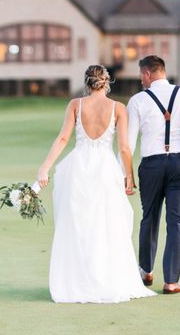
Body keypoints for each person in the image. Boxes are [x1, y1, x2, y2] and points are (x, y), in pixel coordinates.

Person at [36, 64, 157, 303]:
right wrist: (129, 177)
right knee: (107, 225)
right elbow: (124, 148)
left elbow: (62, 138)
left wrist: (45, 166)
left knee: (78, 225)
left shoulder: (75, 105)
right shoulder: (118, 108)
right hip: (105, 169)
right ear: (106, 82)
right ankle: (104, 281)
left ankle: (77, 283)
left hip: (77, 168)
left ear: (87, 82)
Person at [124, 55, 180, 294]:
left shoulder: (137, 100)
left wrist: (128, 175)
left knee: (149, 217)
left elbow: (128, 142)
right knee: (176, 222)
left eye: (140, 76)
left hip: (151, 165)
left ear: (147, 74)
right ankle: (172, 281)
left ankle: (145, 271)